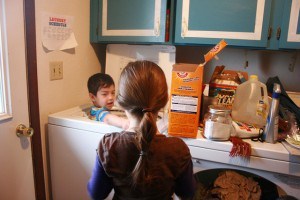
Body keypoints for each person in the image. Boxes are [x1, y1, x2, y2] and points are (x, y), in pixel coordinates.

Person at [87, 61, 196, 199]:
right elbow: (188, 193)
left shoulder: (109, 145)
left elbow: (96, 194)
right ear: (165, 100)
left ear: (120, 101)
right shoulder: (178, 149)